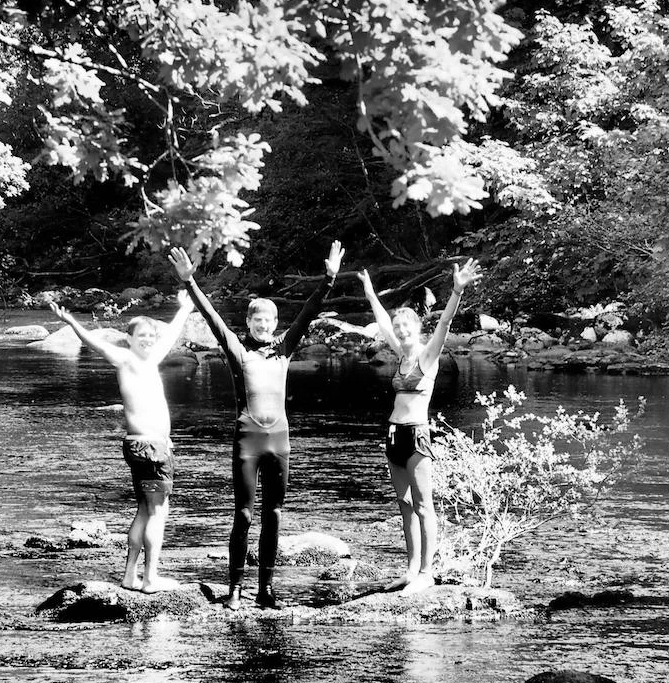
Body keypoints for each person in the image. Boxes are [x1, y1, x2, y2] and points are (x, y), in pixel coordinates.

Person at [168, 241, 344, 610]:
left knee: (274, 514)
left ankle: (265, 589)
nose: (264, 326)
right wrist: (190, 283)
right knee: (245, 514)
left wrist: (329, 278)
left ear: (276, 323)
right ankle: (234, 588)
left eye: (269, 321)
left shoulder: (284, 349)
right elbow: (214, 320)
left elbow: (309, 313)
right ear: (248, 322)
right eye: (257, 320)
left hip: (279, 441)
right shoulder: (238, 349)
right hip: (248, 440)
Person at [49, 294, 192, 593]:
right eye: (142, 335)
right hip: (151, 450)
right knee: (157, 511)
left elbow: (171, 335)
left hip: (144, 447)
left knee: (144, 509)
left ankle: (130, 576)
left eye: (152, 336)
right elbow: (94, 343)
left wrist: (185, 308)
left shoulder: (150, 359)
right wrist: (72, 321)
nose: (149, 340)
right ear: (128, 339)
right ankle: (150, 579)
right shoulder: (125, 359)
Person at [356, 259, 481, 595]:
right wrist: (370, 293)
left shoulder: (427, 356)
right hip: (393, 436)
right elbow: (382, 323)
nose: (400, 331)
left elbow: (444, 323)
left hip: (416, 437)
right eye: (398, 328)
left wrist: (456, 291)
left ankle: (427, 573)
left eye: (406, 326)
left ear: (416, 327)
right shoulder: (400, 355)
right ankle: (410, 570)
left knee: (424, 505)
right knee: (405, 505)